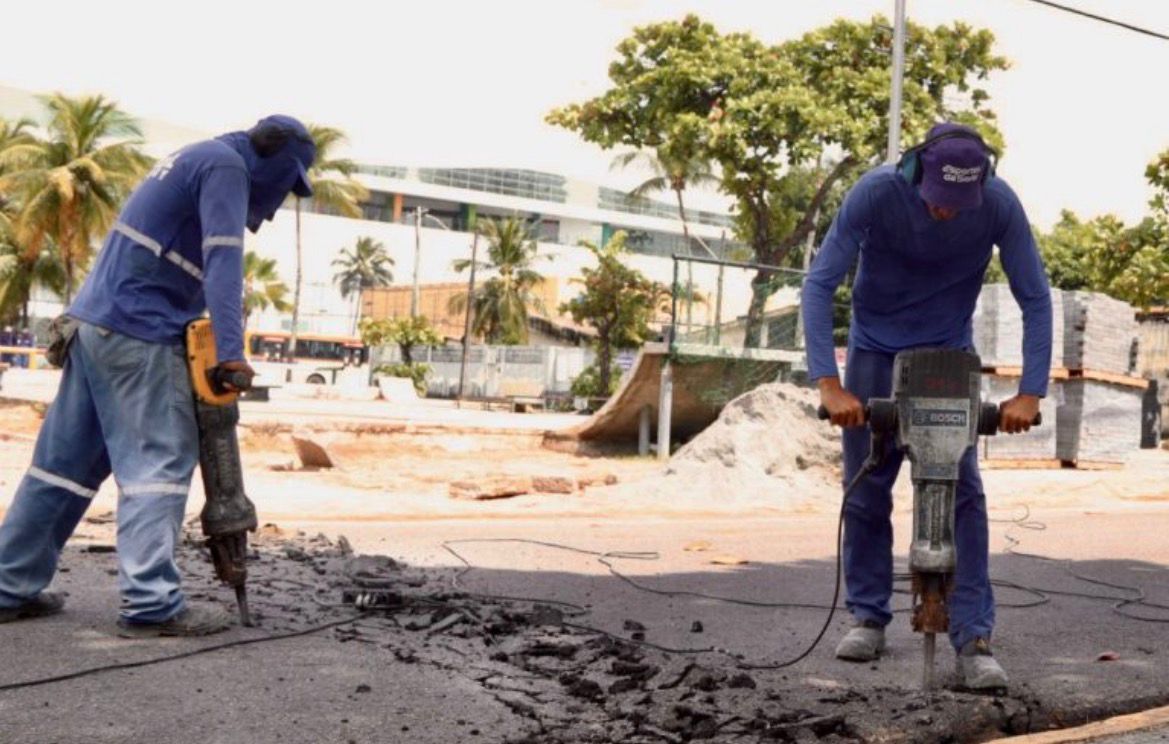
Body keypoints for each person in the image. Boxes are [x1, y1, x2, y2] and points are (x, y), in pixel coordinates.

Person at [0, 115, 315, 637]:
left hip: (96, 327)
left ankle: (8, 587)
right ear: (275, 160)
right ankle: (151, 604)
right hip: (141, 332)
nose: (281, 202)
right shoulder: (226, 167)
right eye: (289, 183)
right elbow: (223, 260)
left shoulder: (194, 157)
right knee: (158, 467)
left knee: (60, 471)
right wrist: (231, 355)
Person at [800, 122, 1052, 690]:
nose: (946, 212)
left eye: (959, 204)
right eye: (938, 200)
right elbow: (819, 285)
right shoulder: (875, 192)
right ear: (917, 175)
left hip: (947, 353)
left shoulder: (1000, 205)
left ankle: (973, 636)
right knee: (867, 487)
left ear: (982, 186)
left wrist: (1030, 392)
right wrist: (829, 385)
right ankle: (868, 615)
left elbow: (1035, 297)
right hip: (873, 348)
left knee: (963, 492)